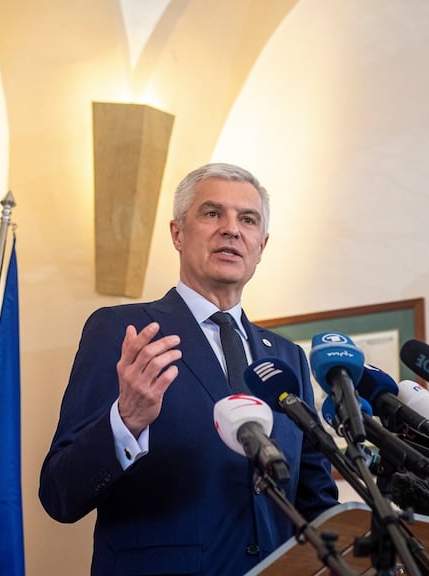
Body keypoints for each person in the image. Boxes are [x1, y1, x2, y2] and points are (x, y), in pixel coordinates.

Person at [39, 162, 339, 575]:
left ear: (261, 245)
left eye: (247, 219)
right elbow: (59, 494)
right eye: (212, 213)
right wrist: (126, 421)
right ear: (178, 233)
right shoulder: (125, 333)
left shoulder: (287, 358)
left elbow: (315, 502)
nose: (231, 230)